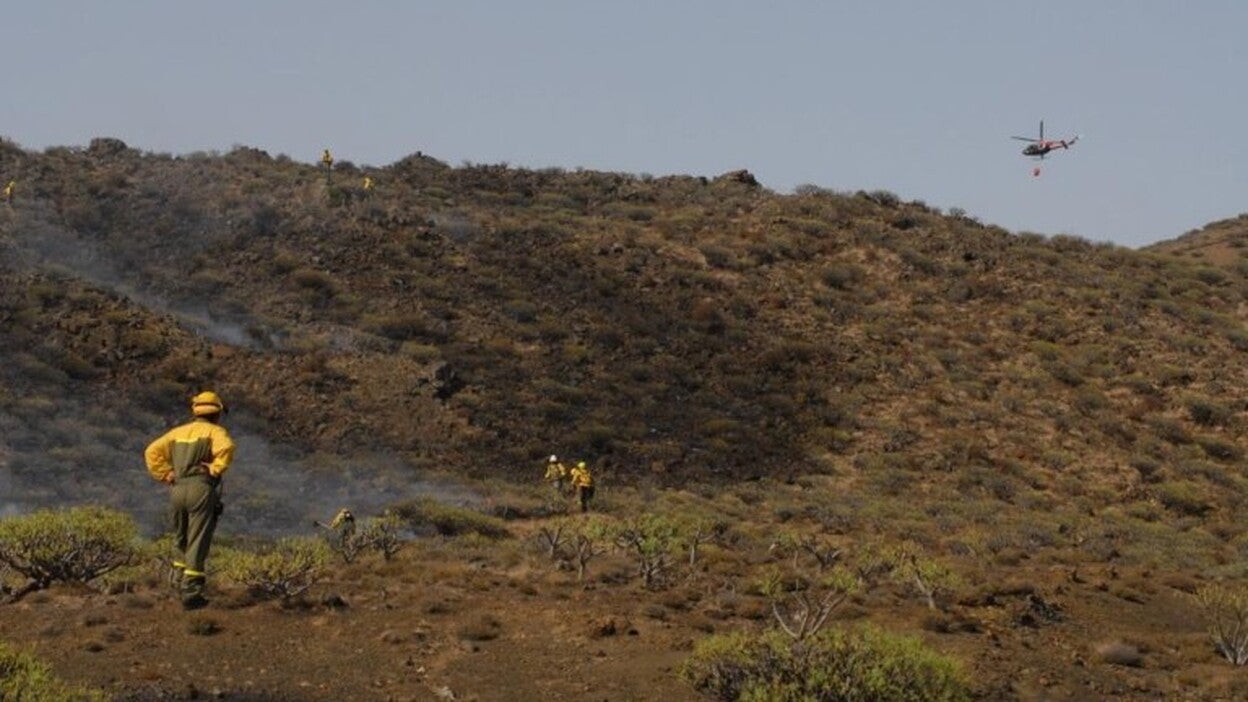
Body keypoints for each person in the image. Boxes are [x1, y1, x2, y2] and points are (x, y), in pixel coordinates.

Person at [144, 391, 236, 610]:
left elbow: (151, 451)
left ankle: (177, 581)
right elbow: (226, 448)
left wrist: (165, 474)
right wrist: (215, 469)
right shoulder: (216, 431)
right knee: (197, 538)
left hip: (177, 489)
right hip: (201, 488)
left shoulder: (178, 432)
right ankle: (191, 591)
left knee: (181, 536)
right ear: (217, 413)